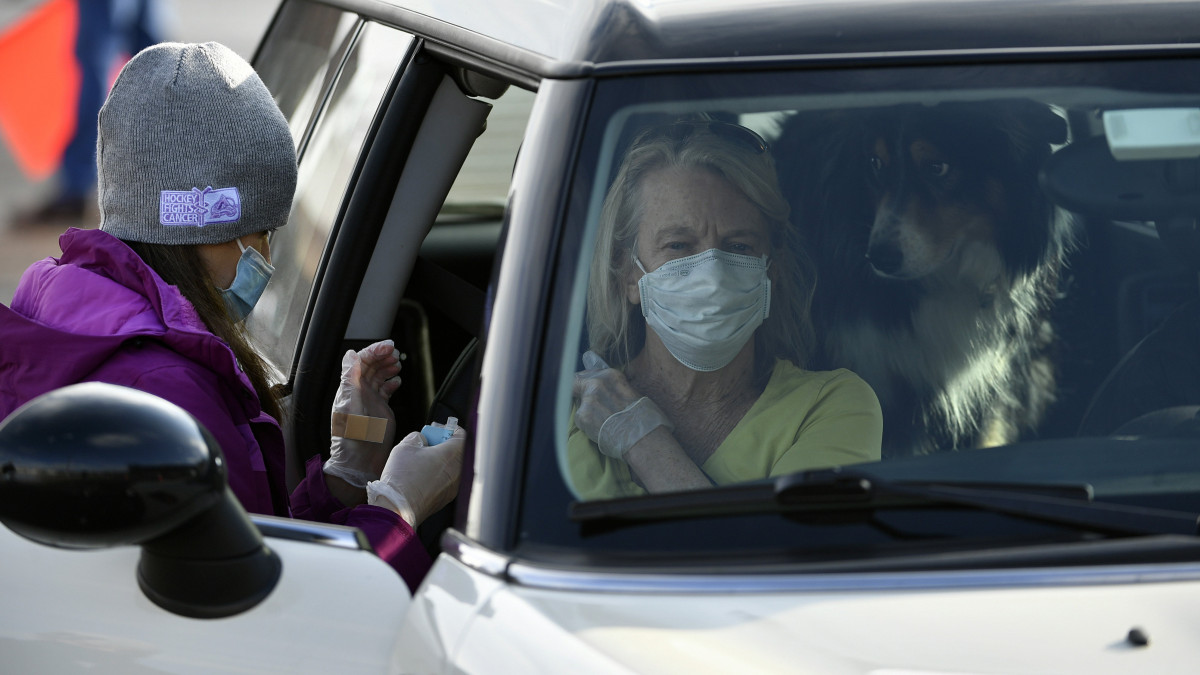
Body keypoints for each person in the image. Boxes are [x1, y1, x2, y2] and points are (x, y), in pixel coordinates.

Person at [0, 42, 461, 592]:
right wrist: (400, 508)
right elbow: (270, 617)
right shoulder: (167, 389)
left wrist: (347, 473)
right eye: (260, 234)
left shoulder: (67, 305)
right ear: (200, 227)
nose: (265, 260)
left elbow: (243, 544)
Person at [568, 119, 883, 500]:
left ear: (772, 269)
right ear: (629, 275)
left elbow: (779, 558)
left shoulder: (830, 406)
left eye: (739, 247)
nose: (713, 274)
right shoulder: (578, 410)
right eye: (679, 245)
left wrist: (643, 441)